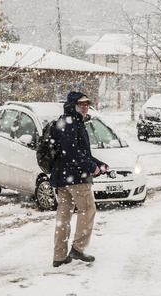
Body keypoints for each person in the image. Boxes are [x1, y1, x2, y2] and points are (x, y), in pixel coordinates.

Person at [50, 91, 109, 268]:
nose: (85, 107)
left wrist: (99, 164)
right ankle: (78, 248)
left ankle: (59, 256)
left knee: (64, 215)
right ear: (73, 105)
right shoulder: (71, 123)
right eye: (81, 104)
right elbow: (72, 153)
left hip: (63, 178)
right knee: (88, 209)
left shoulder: (66, 121)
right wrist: (91, 167)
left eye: (87, 104)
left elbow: (79, 153)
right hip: (75, 178)